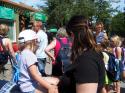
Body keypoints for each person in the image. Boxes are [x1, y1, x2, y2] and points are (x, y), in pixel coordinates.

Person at [65, 15, 105, 93]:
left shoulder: (86, 60)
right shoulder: (91, 54)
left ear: (72, 34)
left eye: (68, 37)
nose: (68, 41)